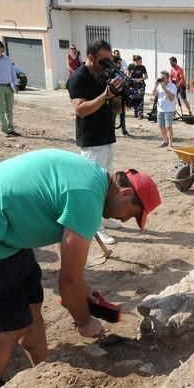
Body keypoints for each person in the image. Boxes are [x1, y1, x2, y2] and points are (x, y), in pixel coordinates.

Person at [0, 148, 162, 388]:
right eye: (131, 214)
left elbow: (69, 255)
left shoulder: (91, 177)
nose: (124, 220)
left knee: (32, 302)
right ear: (126, 193)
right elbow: (67, 282)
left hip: (5, 233)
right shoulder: (88, 196)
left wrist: (82, 288)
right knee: (11, 323)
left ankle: (43, 371)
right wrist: (84, 321)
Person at [67, 38, 124, 245]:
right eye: (104, 61)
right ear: (90, 57)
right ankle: (95, 227)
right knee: (92, 187)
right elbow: (81, 109)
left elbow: (116, 108)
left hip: (107, 137)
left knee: (104, 185)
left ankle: (101, 219)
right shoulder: (78, 78)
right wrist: (105, 95)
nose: (108, 65)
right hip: (92, 141)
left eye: (110, 61)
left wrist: (117, 94)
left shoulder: (103, 75)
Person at [0, 40, 20, 136]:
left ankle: (11, 128)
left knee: (9, 110)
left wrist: (15, 84)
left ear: (2, 48)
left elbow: (12, 72)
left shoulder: (8, 59)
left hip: (9, 86)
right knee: (1, 109)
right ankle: (5, 129)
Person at [151, 70, 176, 148]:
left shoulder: (172, 86)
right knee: (161, 126)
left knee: (168, 126)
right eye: (160, 78)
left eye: (163, 78)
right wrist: (155, 85)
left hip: (169, 109)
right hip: (160, 109)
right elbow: (153, 94)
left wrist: (165, 89)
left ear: (168, 78)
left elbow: (172, 98)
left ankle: (170, 144)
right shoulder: (159, 86)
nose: (161, 80)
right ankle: (165, 141)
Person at [111, 53, 129, 136]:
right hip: (114, 97)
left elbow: (126, 82)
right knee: (113, 116)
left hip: (122, 96)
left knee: (122, 115)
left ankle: (123, 130)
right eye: (118, 63)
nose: (120, 65)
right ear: (114, 63)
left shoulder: (121, 72)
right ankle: (111, 132)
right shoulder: (111, 72)